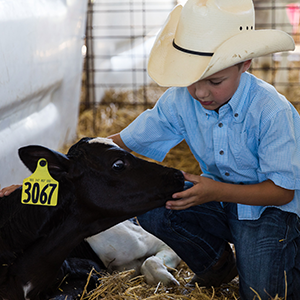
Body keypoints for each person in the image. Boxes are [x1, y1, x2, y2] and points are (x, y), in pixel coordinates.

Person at [1, 0, 299, 299]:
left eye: (215, 81)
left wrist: (214, 191)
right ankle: (217, 265)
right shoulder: (182, 100)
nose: (201, 93)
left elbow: (283, 192)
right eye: (191, 80)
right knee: (154, 200)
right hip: (217, 200)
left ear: (244, 64)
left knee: (265, 294)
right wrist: (43, 181)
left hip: (269, 212)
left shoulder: (271, 111)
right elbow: (112, 148)